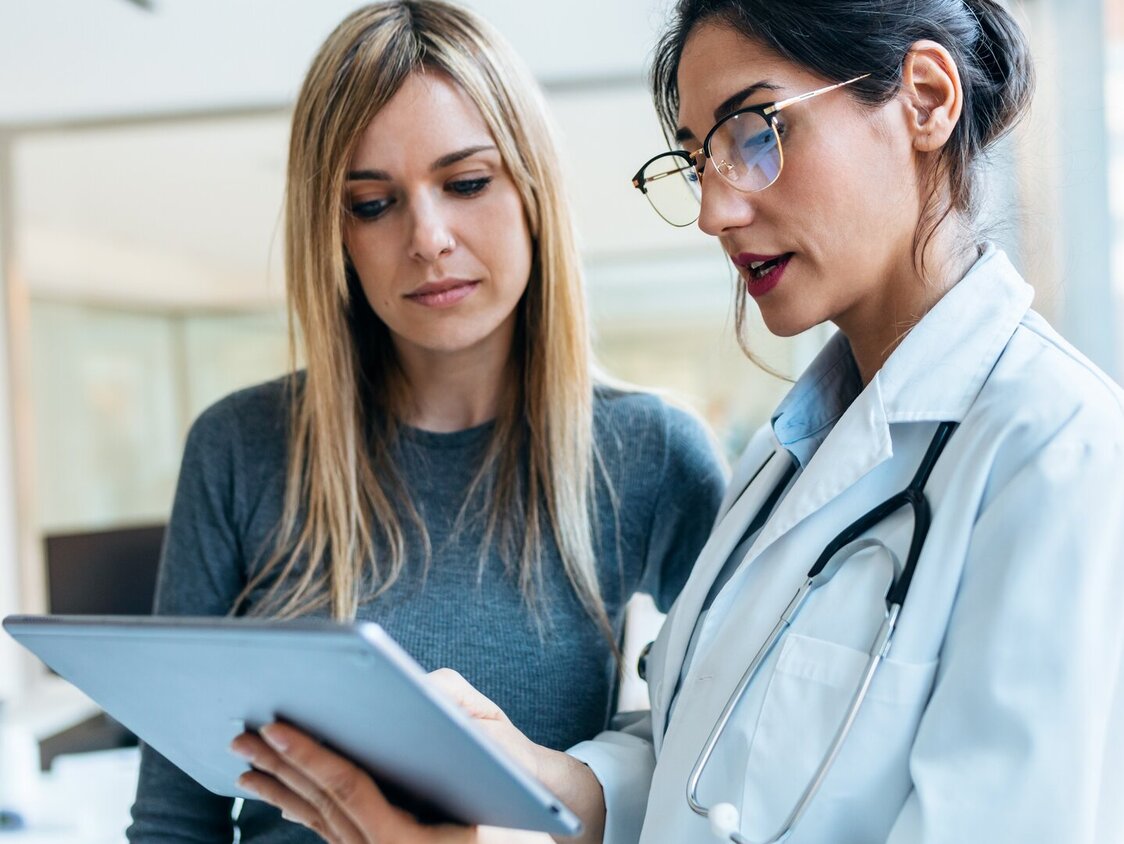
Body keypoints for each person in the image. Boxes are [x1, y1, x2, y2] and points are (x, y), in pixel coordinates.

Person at [229, 0, 1124, 842]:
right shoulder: (789, 459)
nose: (714, 209)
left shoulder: (1055, 451)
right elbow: (696, 754)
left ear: (925, 100)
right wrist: (537, 776)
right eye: (702, 157)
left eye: (756, 133)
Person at [127, 2, 727, 841]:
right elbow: (172, 820)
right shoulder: (240, 449)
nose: (429, 238)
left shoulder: (649, 454)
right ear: (333, 233)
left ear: (531, 189)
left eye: (467, 183)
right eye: (373, 204)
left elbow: (731, 760)